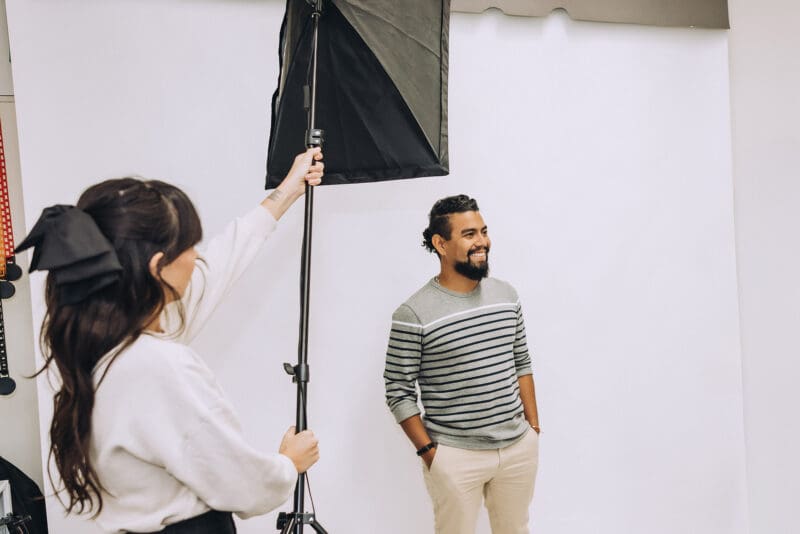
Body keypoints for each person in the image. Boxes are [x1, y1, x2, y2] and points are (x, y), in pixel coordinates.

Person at [16, 148, 325, 534]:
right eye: (191, 246)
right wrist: (287, 463)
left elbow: (224, 260)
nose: (198, 257)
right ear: (158, 266)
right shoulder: (155, 365)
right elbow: (241, 485)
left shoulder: (103, 349)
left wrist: (286, 191)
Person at [384, 194, 540, 534]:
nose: (482, 241)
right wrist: (430, 454)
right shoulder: (413, 314)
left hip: (517, 449)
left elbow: (521, 360)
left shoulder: (506, 295)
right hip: (455, 455)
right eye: (469, 234)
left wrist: (533, 428)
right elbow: (398, 390)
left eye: (483, 231)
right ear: (441, 243)